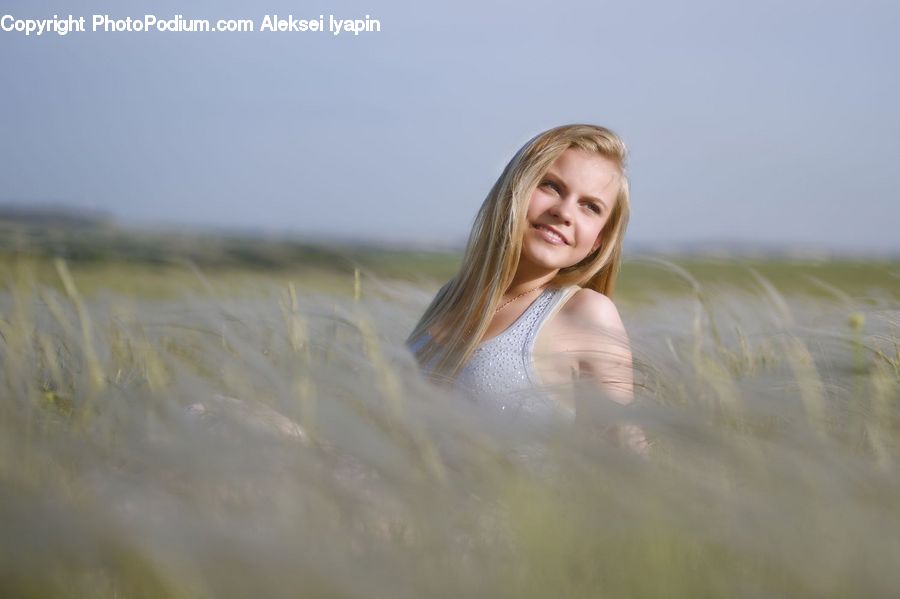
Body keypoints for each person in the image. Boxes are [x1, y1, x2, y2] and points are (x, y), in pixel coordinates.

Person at [406, 124, 649, 455]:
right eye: (551, 186)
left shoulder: (586, 313)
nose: (563, 212)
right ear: (514, 189)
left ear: (598, 241)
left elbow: (628, 463)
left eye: (590, 207)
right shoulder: (453, 295)